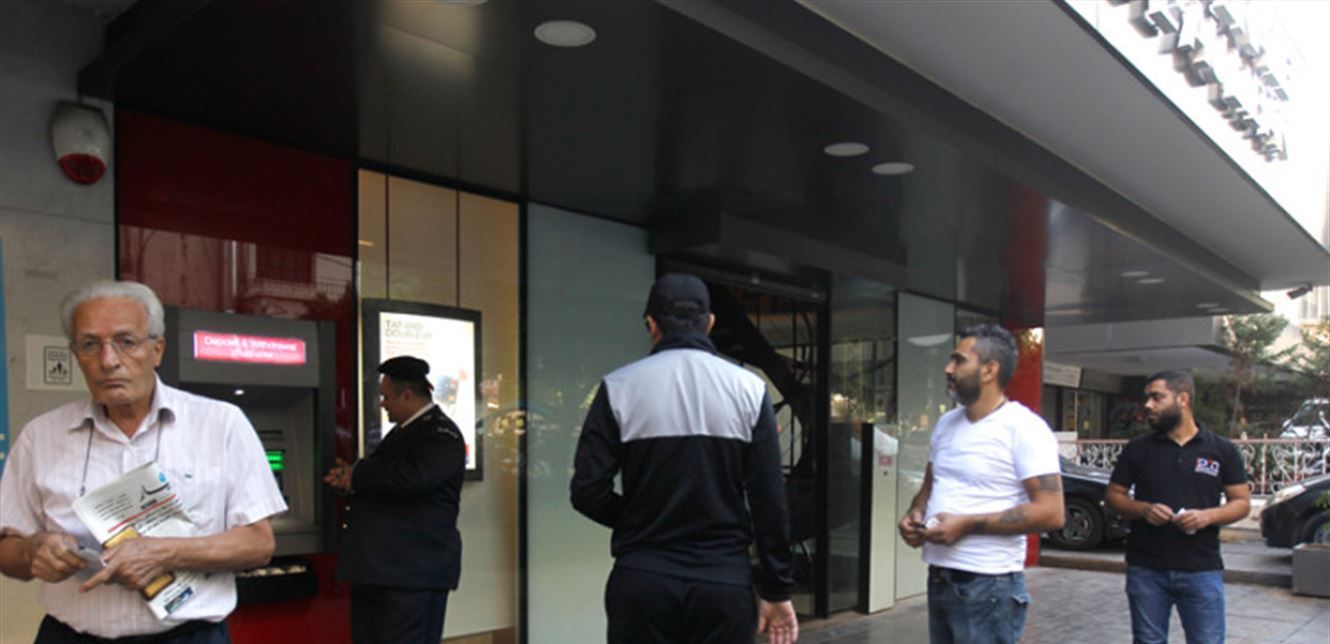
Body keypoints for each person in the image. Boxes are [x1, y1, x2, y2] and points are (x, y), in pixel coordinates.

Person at [0, 280, 286, 643]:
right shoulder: (40, 437)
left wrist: (165, 553)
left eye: (126, 342)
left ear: (157, 349)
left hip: (188, 637)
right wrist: (31, 551)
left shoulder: (220, 424)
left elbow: (259, 545)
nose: (108, 360)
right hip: (70, 636)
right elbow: (6, 549)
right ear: (75, 355)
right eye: (90, 345)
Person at [570, 273, 799, 644]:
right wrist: (776, 590)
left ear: (651, 324)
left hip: (643, 580)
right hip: (723, 583)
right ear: (709, 323)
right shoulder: (750, 390)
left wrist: (640, 520)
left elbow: (586, 491)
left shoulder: (618, 388)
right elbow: (769, 501)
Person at [897, 324, 1065, 644]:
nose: (948, 368)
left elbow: (1052, 513)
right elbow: (929, 488)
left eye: (959, 360)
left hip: (990, 587)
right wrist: (915, 514)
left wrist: (968, 524)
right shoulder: (947, 423)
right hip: (940, 578)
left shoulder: (1025, 428)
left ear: (989, 370)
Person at [326, 356, 466, 644]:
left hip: (413, 576)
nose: (382, 404)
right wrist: (350, 478)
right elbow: (387, 481)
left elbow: (413, 478)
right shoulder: (406, 432)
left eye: (386, 397)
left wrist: (358, 475)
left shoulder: (441, 434)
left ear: (407, 395)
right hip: (384, 572)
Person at [1104, 371, 1250, 644]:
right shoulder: (1138, 449)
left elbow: (1241, 503)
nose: (1148, 405)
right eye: (1147, 398)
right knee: (1148, 640)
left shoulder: (1222, 449)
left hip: (1201, 568)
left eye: (1156, 397)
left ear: (1182, 399)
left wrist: (1208, 516)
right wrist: (1143, 509)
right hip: (1146, 568)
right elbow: (1113, 496)